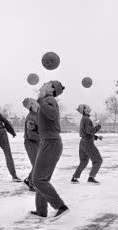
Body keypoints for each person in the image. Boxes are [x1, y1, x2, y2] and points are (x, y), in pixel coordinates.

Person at [30, 80, 69, 220]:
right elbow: (49, 120)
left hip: (51, 143)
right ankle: (41, 211)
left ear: (52, 89)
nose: (42, 85)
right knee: (42, 179)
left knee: (38, 180)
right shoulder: (46, 100)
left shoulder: (49, 99)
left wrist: (40, 99)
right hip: (48, 141)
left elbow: (52, 114)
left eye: (46, 84)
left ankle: (60, 206)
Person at [71, 104, 103, 184]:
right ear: (84, 110)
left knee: (84, 161)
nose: (89, 107)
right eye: (87, 106)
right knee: (98, 160)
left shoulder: (84, 119)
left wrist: (96, 137)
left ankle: (74, 178)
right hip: (87, 142)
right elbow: (90, 131)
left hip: (83, 142)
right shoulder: (87, 119)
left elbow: (86, 132)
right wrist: (98, 126)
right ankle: (91, 178)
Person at [22, 98, 40, 191]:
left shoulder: (37, 115)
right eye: (34, 102)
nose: (37, 103)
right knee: (37, 164)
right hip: (30, 142)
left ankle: (29, 179)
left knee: (39, 163)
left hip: (37, 142)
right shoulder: (31, 117)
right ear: (32, 105)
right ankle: (31, 182)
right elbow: (31, 134)